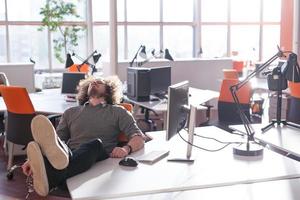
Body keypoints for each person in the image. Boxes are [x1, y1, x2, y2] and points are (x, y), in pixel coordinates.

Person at [22, 76, 145, 197]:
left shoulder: (118, 112)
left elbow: (138, 137)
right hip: (68, 157)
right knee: (62, 147)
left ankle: (50, 177)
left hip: (99, 157)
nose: (95, 81)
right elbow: (54, 143)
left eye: (100, 82)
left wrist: (125, 149)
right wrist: (33, 160)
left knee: (95, 144)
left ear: (108, 91)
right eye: (92, 82)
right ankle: (53, 176)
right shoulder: (70, 112)